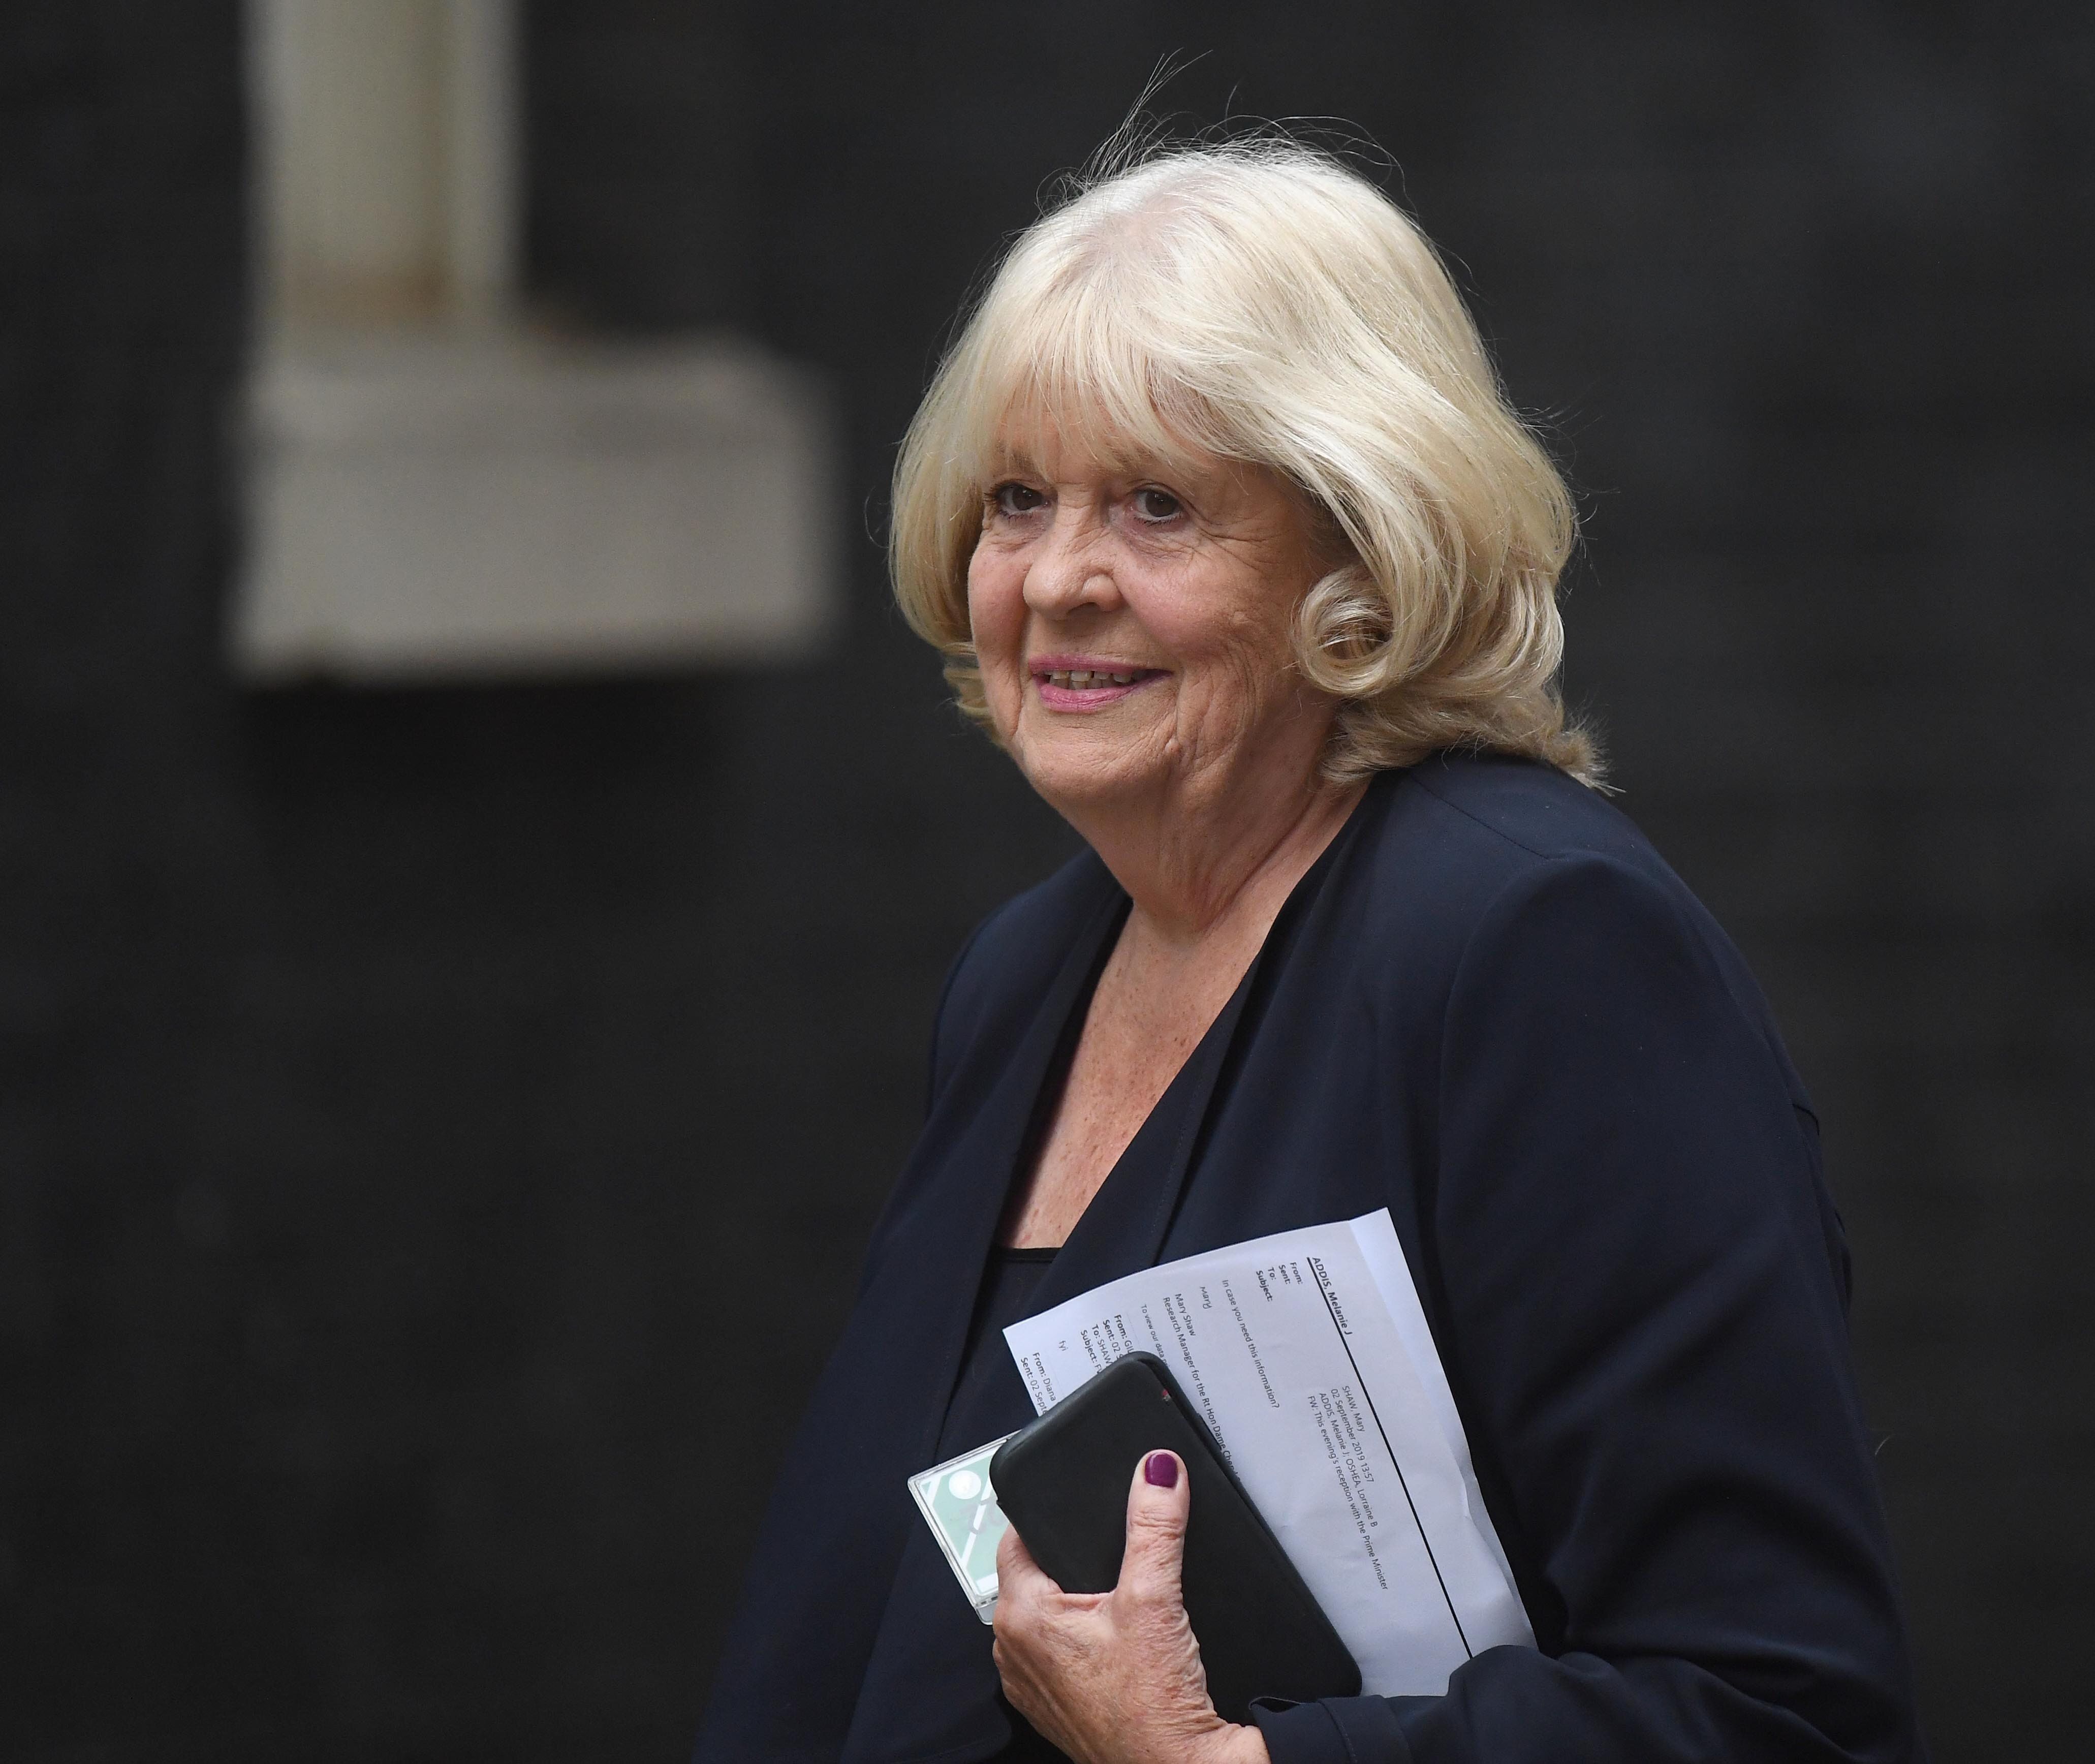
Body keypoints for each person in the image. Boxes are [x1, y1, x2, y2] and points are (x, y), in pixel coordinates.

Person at [694, 134, 1927, 1764]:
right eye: (1018, 500)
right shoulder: (1022, 979)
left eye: (1157, 505)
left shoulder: (1537, 951)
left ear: (1358, 552)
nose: (1061, 579)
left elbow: (1779, 1713)